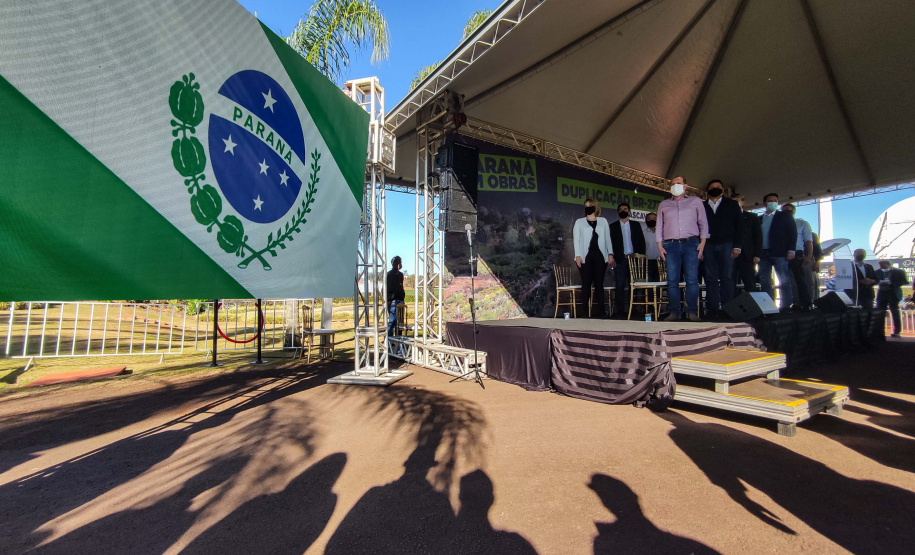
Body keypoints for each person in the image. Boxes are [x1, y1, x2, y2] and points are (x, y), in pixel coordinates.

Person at [657, 177, 709, 321]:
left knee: (692, 279)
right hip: (670, 245)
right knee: (672, 280)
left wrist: (702, 243)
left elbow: (703, 223)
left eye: (678, 183)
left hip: (691, 243)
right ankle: (674, 312)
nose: (675, 186)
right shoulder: (664, 204)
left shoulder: (695, 201)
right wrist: (659, 246)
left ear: (685, 186)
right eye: (672, 184)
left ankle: (691, 311)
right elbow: (659, 226)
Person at [702, 180, 743, 319]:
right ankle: (713, 309)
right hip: (707, 245)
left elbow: (739, 226)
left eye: (717, 188)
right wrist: (700, 247)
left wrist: (737, 246)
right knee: (710, 277)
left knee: (727, 277)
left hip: (727, 244)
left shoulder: (731, 205)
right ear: (707, 191)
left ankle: (728, 309)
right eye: (711, 188)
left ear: (723, 190)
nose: (714, 189)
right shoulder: (702, 206)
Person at [573, 198, 614, 318]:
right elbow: (576, 240)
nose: (588, 208)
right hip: (586, 256)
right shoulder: (579, 222)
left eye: (590, 205)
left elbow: (607, 238)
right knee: (586, 284)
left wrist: (610, 254)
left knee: (599, 283)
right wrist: (577, 255)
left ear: (596, 207)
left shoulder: (603, 221)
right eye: (586, 206)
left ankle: (602, 312)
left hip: (600, 256)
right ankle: (584, 313)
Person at [758, 193, 797, 310]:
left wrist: (791, 249)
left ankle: (786, 305)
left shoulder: (784, 216)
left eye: (775, 200)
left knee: (783, 279)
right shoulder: (759, 218)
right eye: (770, 200)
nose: (773, 202)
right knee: (765, 280)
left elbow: (792, 232)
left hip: (780, 252)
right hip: (763, 253)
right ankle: (768, 305)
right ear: (765, 203)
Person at [609, 202, 646, 317]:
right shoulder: (613, 226)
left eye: (625, 209)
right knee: (620, 285)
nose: (623, 210)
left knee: (633, 285)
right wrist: (611, 256)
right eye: (620, 209)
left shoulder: (636, 225)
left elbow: (641, 242)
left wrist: (641, 257)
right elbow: (610, 244)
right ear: (618, 212)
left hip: (634, 259)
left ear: (629, 211)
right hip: (620, 259)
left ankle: (633, 310)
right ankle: (620, 311)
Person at [781, 203, 814, 309]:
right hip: (781, 254)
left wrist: (808, 256)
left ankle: (806, 304)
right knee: (785, 281)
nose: (786, 212)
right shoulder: (778, 224)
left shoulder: (801, 223)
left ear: (794, 211)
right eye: (784, 210)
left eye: (788, 210)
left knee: (800, 279)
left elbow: (808, 241)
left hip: (797, 253)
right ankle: (789, 304)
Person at [731, 193, 762, 293]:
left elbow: (758, 236)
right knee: (730, 282)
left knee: (749, 282)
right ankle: (732, 307)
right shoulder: (727, 218)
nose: (734, 204)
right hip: (730, 254)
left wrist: (757, 254)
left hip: (747, 255)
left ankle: (752, 307)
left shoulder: (751, 217)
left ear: (742, 203)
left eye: (736, 202)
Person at [876, 260, 909, 337]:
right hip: (882, 293)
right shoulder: (877, 271)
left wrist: (892, 283)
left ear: (888, 264)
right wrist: (879, 282)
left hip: (893, 293)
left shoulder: (899, 271)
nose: (881, 268)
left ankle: (897, 331)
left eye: (883, 266)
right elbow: (874, 280)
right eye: (880, 266)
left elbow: (904, 281)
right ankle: (880, 331)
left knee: (895, 312)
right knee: (880, 312)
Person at [386, 256, 405, 336]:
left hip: (393, 300)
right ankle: (396, 339)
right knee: (397, 322)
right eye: (400, 263)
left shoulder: (388, 274)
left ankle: (390, 340)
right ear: (398, 264)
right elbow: (397, 288)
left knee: (393, 321)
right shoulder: (398, 275)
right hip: (396, 300)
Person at [641, 212, 661, 282]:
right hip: (647, 263)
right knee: (648, 283)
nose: (652, 220)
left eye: (654, 219)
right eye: (649, 219)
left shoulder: (662, 234)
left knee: (659, 284)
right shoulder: (642, 234)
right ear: (646, 221)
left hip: (660, 262)